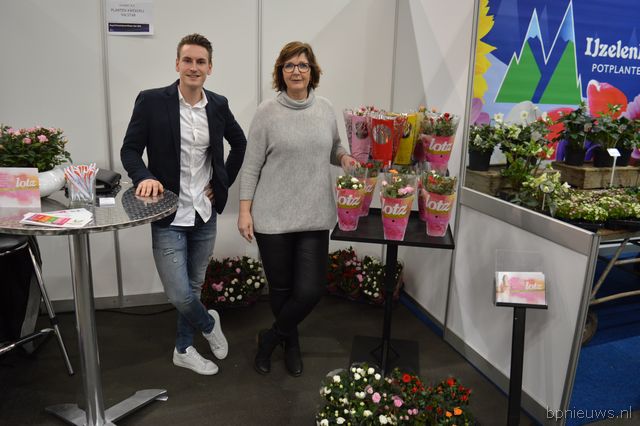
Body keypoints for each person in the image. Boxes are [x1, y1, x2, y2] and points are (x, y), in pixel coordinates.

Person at [121, 33, 247, 375]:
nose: (194, 67)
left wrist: (221, 184)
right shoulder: (151, 101)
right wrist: (144, 176)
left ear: (210, 68)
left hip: (204, 213)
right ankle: (209, 324)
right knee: (179, 293)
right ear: (177, 64)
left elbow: (239, 144)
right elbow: (130, 150)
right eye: (188, 60)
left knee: (192, 287)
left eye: (200, 61)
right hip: (168, 213)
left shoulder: (218, 104)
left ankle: (183, 349)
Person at [238, 41, 356, 377]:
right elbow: (251, 166)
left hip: (314, 214)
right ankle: (292, 344)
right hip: (272, 216)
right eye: (289, 65)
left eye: (302, 65)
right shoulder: (266, 112)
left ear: (312, 70)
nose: (296, 71)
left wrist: (344, 158)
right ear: (281, 72)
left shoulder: (325, 109)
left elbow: (334, 147)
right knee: (281, 289)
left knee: (310, 290)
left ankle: (271, 338)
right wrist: (245, 212)